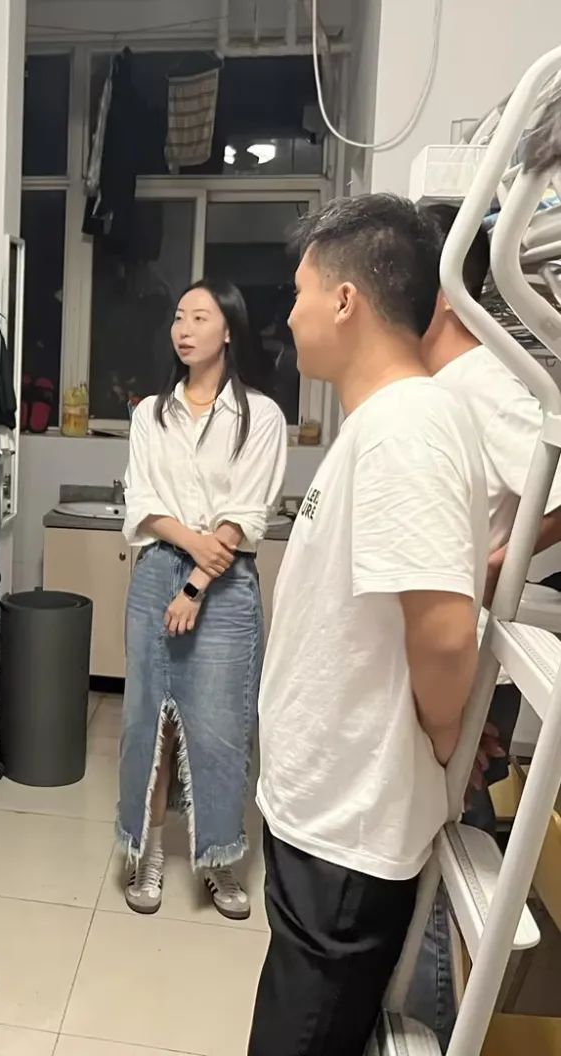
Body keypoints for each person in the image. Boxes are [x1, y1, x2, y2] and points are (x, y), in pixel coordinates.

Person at [248, 194, 488, 1056]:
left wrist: (443, 735)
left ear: (346, 300)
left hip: (349, 831)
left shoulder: (406, 427)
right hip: (326, 812)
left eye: (300, 291)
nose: (290, 314)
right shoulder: (383, 423)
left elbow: (445, 634)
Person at [406, 204, 561, 1046]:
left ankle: (433, 1022)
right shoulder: (435, 388)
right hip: (438, 658)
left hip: (461, 656)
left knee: (437, 859)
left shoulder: (483, 382)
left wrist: (496, 566)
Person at [118, 278, 287, 919]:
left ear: (229, 330)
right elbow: (141, 501)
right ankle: (147, 850)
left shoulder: (261, 416)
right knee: (148, 722)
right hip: (158, 569)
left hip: (226, 583)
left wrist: (198, 581)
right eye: (178, 317)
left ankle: (219, 858)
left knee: (221, 728)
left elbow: (247, 510)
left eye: (199, 317)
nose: (183, 329)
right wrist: (191, 545)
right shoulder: (150, 414)